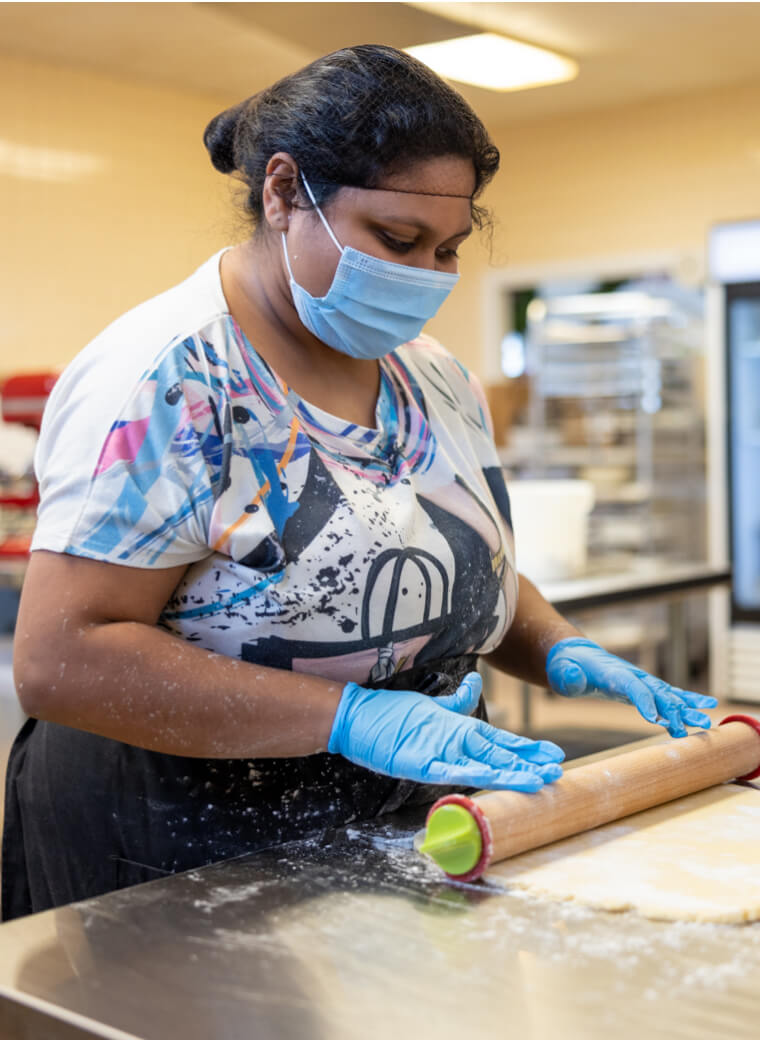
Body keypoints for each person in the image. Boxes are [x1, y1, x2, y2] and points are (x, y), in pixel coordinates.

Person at [2, 44, 716, 921]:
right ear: (282, 193)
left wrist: (560, 645)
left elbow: (442, 551)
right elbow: (62, 657)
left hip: (392, 815)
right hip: (177, 838)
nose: (423, 278)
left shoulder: (432, 375)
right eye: (396, 240)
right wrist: (356, 719)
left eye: (448, 249)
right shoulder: (170, 383)